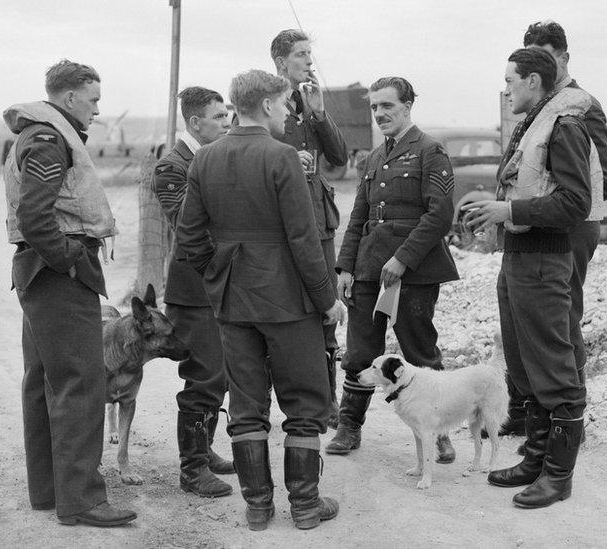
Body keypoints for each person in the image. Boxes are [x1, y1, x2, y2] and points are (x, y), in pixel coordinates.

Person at [177, 69, 346, 531]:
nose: (290, 110)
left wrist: (219, 274)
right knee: (305, 401)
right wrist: (326, 299)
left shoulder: (204, 159)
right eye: (287, 102)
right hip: (288, 301)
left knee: (247, 403)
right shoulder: (283, 156)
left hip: (233, 301)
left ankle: (257, 507)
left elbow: (188, 239)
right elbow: (304, 238)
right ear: (268, 105)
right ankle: (306, 506)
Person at [2, 59, 135, 527]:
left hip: (38, 276)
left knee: (44, 381)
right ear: (70, 98)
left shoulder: (38, 134)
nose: (98, 110)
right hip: (57, 276)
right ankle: (81, 501)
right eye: (94, 99)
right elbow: (37, 217)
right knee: (81, 382)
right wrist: (71, 261)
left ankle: (50, 492)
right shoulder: (48, 139)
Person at [463, 48, 596, 508]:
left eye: (511, 81)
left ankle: (558, 476)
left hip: (544, 261)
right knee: (524, 365)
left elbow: (576, 203)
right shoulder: (537, 121)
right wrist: (497, 212)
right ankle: (536, 459)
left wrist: (510, 210)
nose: (506, 90)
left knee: (554, 369)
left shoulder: (565, 125)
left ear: (534, 81)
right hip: (519, 258)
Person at [494, 20, 607, 439]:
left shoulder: (578, 108)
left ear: (564, 59)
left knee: (559, 317)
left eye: (546, 58)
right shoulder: (541, 107)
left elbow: (601, 180)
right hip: (533, 222)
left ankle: (567, 420)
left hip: (571, 224)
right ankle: (530, 411)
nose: (538, 69)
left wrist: (552, 200)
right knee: (518, 313)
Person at [328, 77, 460, 463]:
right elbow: (359, 218)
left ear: (407, 106)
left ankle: (438, 433)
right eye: (374, 107)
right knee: (358, 354)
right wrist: (346, 267)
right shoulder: (371, 158)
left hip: (415, 271)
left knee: (420, 351)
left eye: (387, 106)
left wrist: (402, 258)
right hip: (369, 270)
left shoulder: (430, 151)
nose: (380, 114)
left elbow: (439, 215)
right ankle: (349, 427)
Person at [152, 86, 235, 498]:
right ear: (195, 122)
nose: (227, 122)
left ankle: (205, 450)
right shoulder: (173, 166)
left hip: (217, 284)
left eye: (227, 115)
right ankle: (192, 469)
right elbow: (190, 225)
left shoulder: (208, 158)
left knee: (218, 376)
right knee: (202, 377)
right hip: (192, 288)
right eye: (219, 117)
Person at [270, 29, 348, 428]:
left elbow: (339, 158)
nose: (309, 62)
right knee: (283, 312)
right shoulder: (266, 103)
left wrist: (319, 113)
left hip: (319, 226)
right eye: (302, 55)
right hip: (280, 227)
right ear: (282, 61)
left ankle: (327, 403)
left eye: (309, 54)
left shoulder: (308, 102)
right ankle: (288, 402)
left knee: (325, 313)